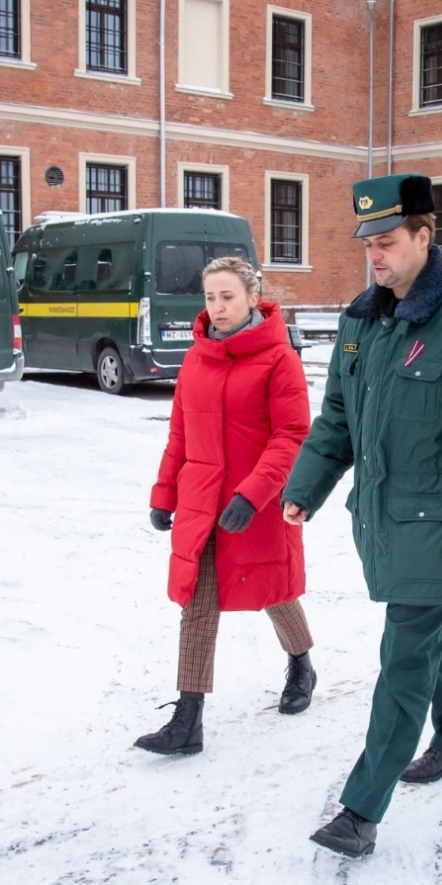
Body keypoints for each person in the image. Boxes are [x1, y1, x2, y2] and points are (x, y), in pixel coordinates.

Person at [282, 173, 442, 858]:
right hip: (384, 522)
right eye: (368, 242)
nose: (375, 254)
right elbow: (338, 414)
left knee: (404, 659)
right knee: (430, 630)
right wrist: (306, 487)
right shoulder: (362, 321)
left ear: (426, 237)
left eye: (389, 241)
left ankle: (361, 810)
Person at [137, 257, 317, 756]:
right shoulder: (196, 358)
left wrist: (254, 493)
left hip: (254, 504)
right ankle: (187, 720)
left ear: (252, 298)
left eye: (227, 297)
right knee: (198, 604)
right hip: (201, 503)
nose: (216, 308)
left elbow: (292, 435)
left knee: (272, 591)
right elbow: (180, 433)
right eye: (210, 297)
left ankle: (301, 662)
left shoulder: (280, 359)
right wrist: (164, 493)